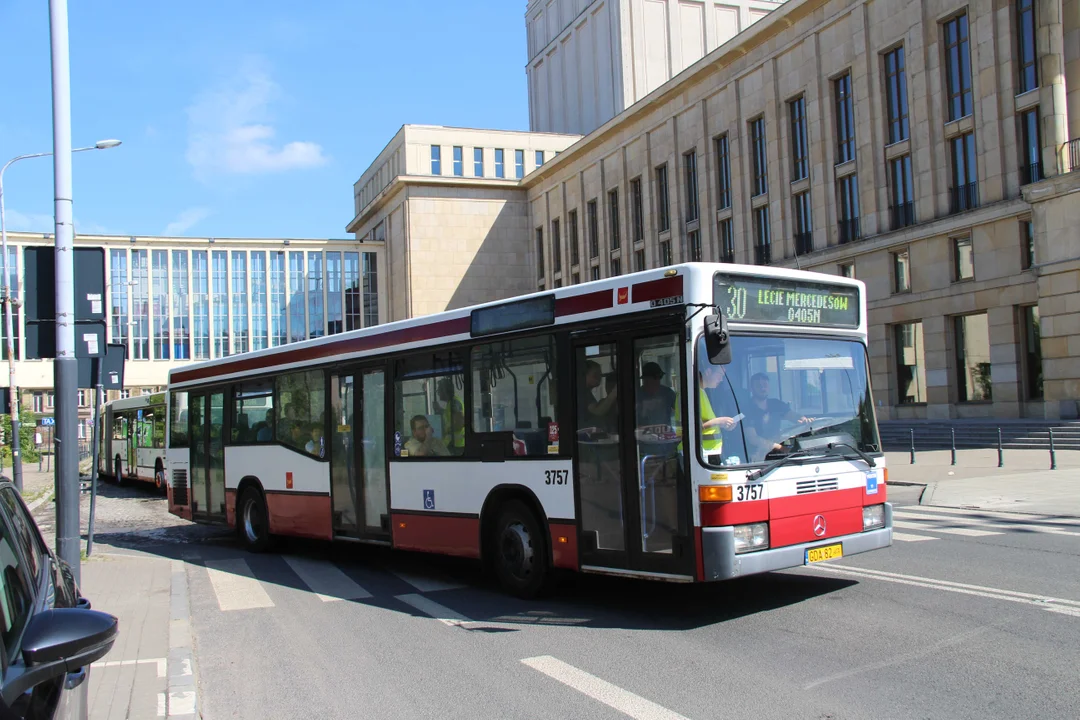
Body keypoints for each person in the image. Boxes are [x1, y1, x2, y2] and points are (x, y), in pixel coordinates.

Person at [743, 372, 812, 461]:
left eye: (765, 384)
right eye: (758, 385)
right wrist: (779, 447)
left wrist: (804, 419)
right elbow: (753, 438)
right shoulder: (746, 409)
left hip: (777, 452)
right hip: (757, 456)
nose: (762, 388)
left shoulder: (775, 404)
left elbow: (793, 415)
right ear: (751, 389)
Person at [579, 360, 618, 431]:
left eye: (600, 374)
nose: (599, 377)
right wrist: (615, 392)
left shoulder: (585, 391)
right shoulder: (581, 391)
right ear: (584, 375)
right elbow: (598, 411)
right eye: (595, 374)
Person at [636, 362, 677, 428]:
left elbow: (680, 410)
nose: (651, 384)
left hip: (665, 435)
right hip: (642, 436)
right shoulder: (637, 395)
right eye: (647, 381)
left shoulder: (668, 393)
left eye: (657, 380)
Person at [435, 378, 465, 453]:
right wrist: (439, 410)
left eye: (439, 390)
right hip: (452, 444)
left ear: (444, 391)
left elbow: (460, 423)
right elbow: (450, 417)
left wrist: (446, 432)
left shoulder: (454, 403)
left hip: (457, 446)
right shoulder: (450, 403)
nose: (438, 393)